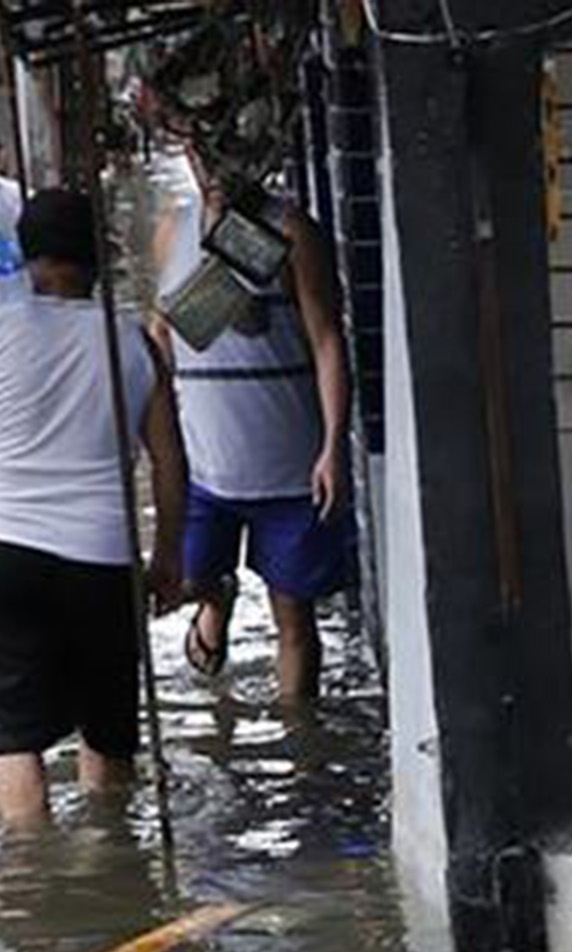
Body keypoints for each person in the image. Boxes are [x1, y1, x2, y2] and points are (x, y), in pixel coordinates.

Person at [0, 188, 185, 827]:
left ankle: (31, 886)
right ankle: (112, 870)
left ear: (20, 259)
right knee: (108, 732)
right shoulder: (136, 342)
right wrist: (168, 556)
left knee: (13, 732)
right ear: (98, 263)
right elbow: (170, 461)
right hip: (100, 558)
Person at [153, 155, 352, 702]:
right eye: (200, 153)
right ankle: (217, 599)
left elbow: (327, 339)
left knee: (294, 615)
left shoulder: (290, 230)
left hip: (287, 464)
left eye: (224, 149)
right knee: (190, 579)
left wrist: (333, 446)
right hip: (203, 463)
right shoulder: (173, 228)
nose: (212, 165)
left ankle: (298, 746)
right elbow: (164, 335)